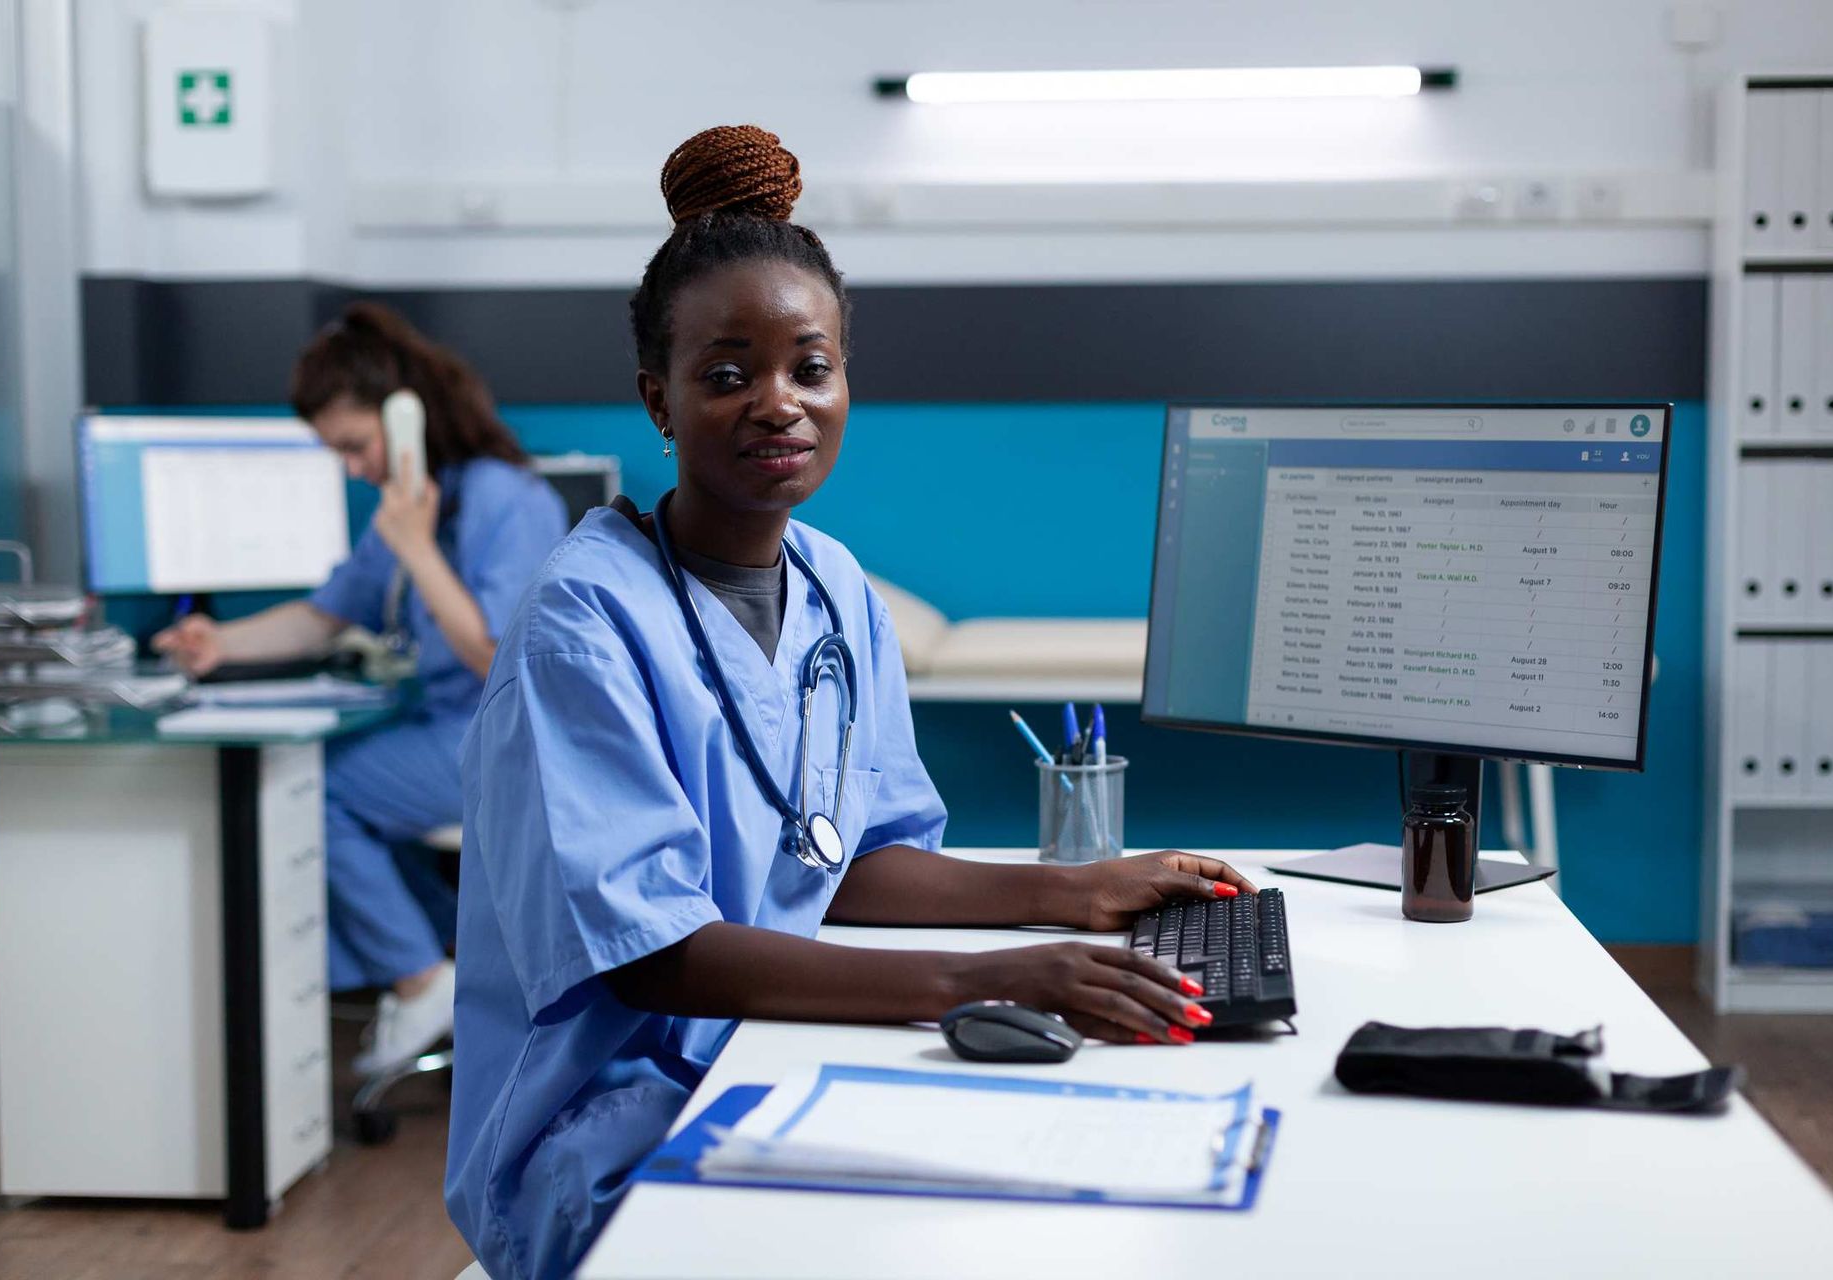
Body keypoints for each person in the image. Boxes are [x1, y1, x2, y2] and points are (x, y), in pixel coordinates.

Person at [448, 126, 1253, 1280]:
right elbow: (653, 957)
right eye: (727, 374)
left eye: (808, 368)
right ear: (658, 401)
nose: (777, 403)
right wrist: (990, 975)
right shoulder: (582, 623)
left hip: (780, 1052)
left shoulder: (836, 585)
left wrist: (1074, 892)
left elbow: (843, 862)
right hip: (614, 1128)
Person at [155, 303, 571, 1077]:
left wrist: (415, 546)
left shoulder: (507, 500)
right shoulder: (414, 505)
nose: (352, 469)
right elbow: (324, 614)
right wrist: (219, 645)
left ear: (407, 415)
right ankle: (454, 973)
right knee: (344, 794)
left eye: (354, 446)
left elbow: (491, 654)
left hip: (511, 738)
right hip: (453, 730)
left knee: (316, 792)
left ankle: (419, 980)